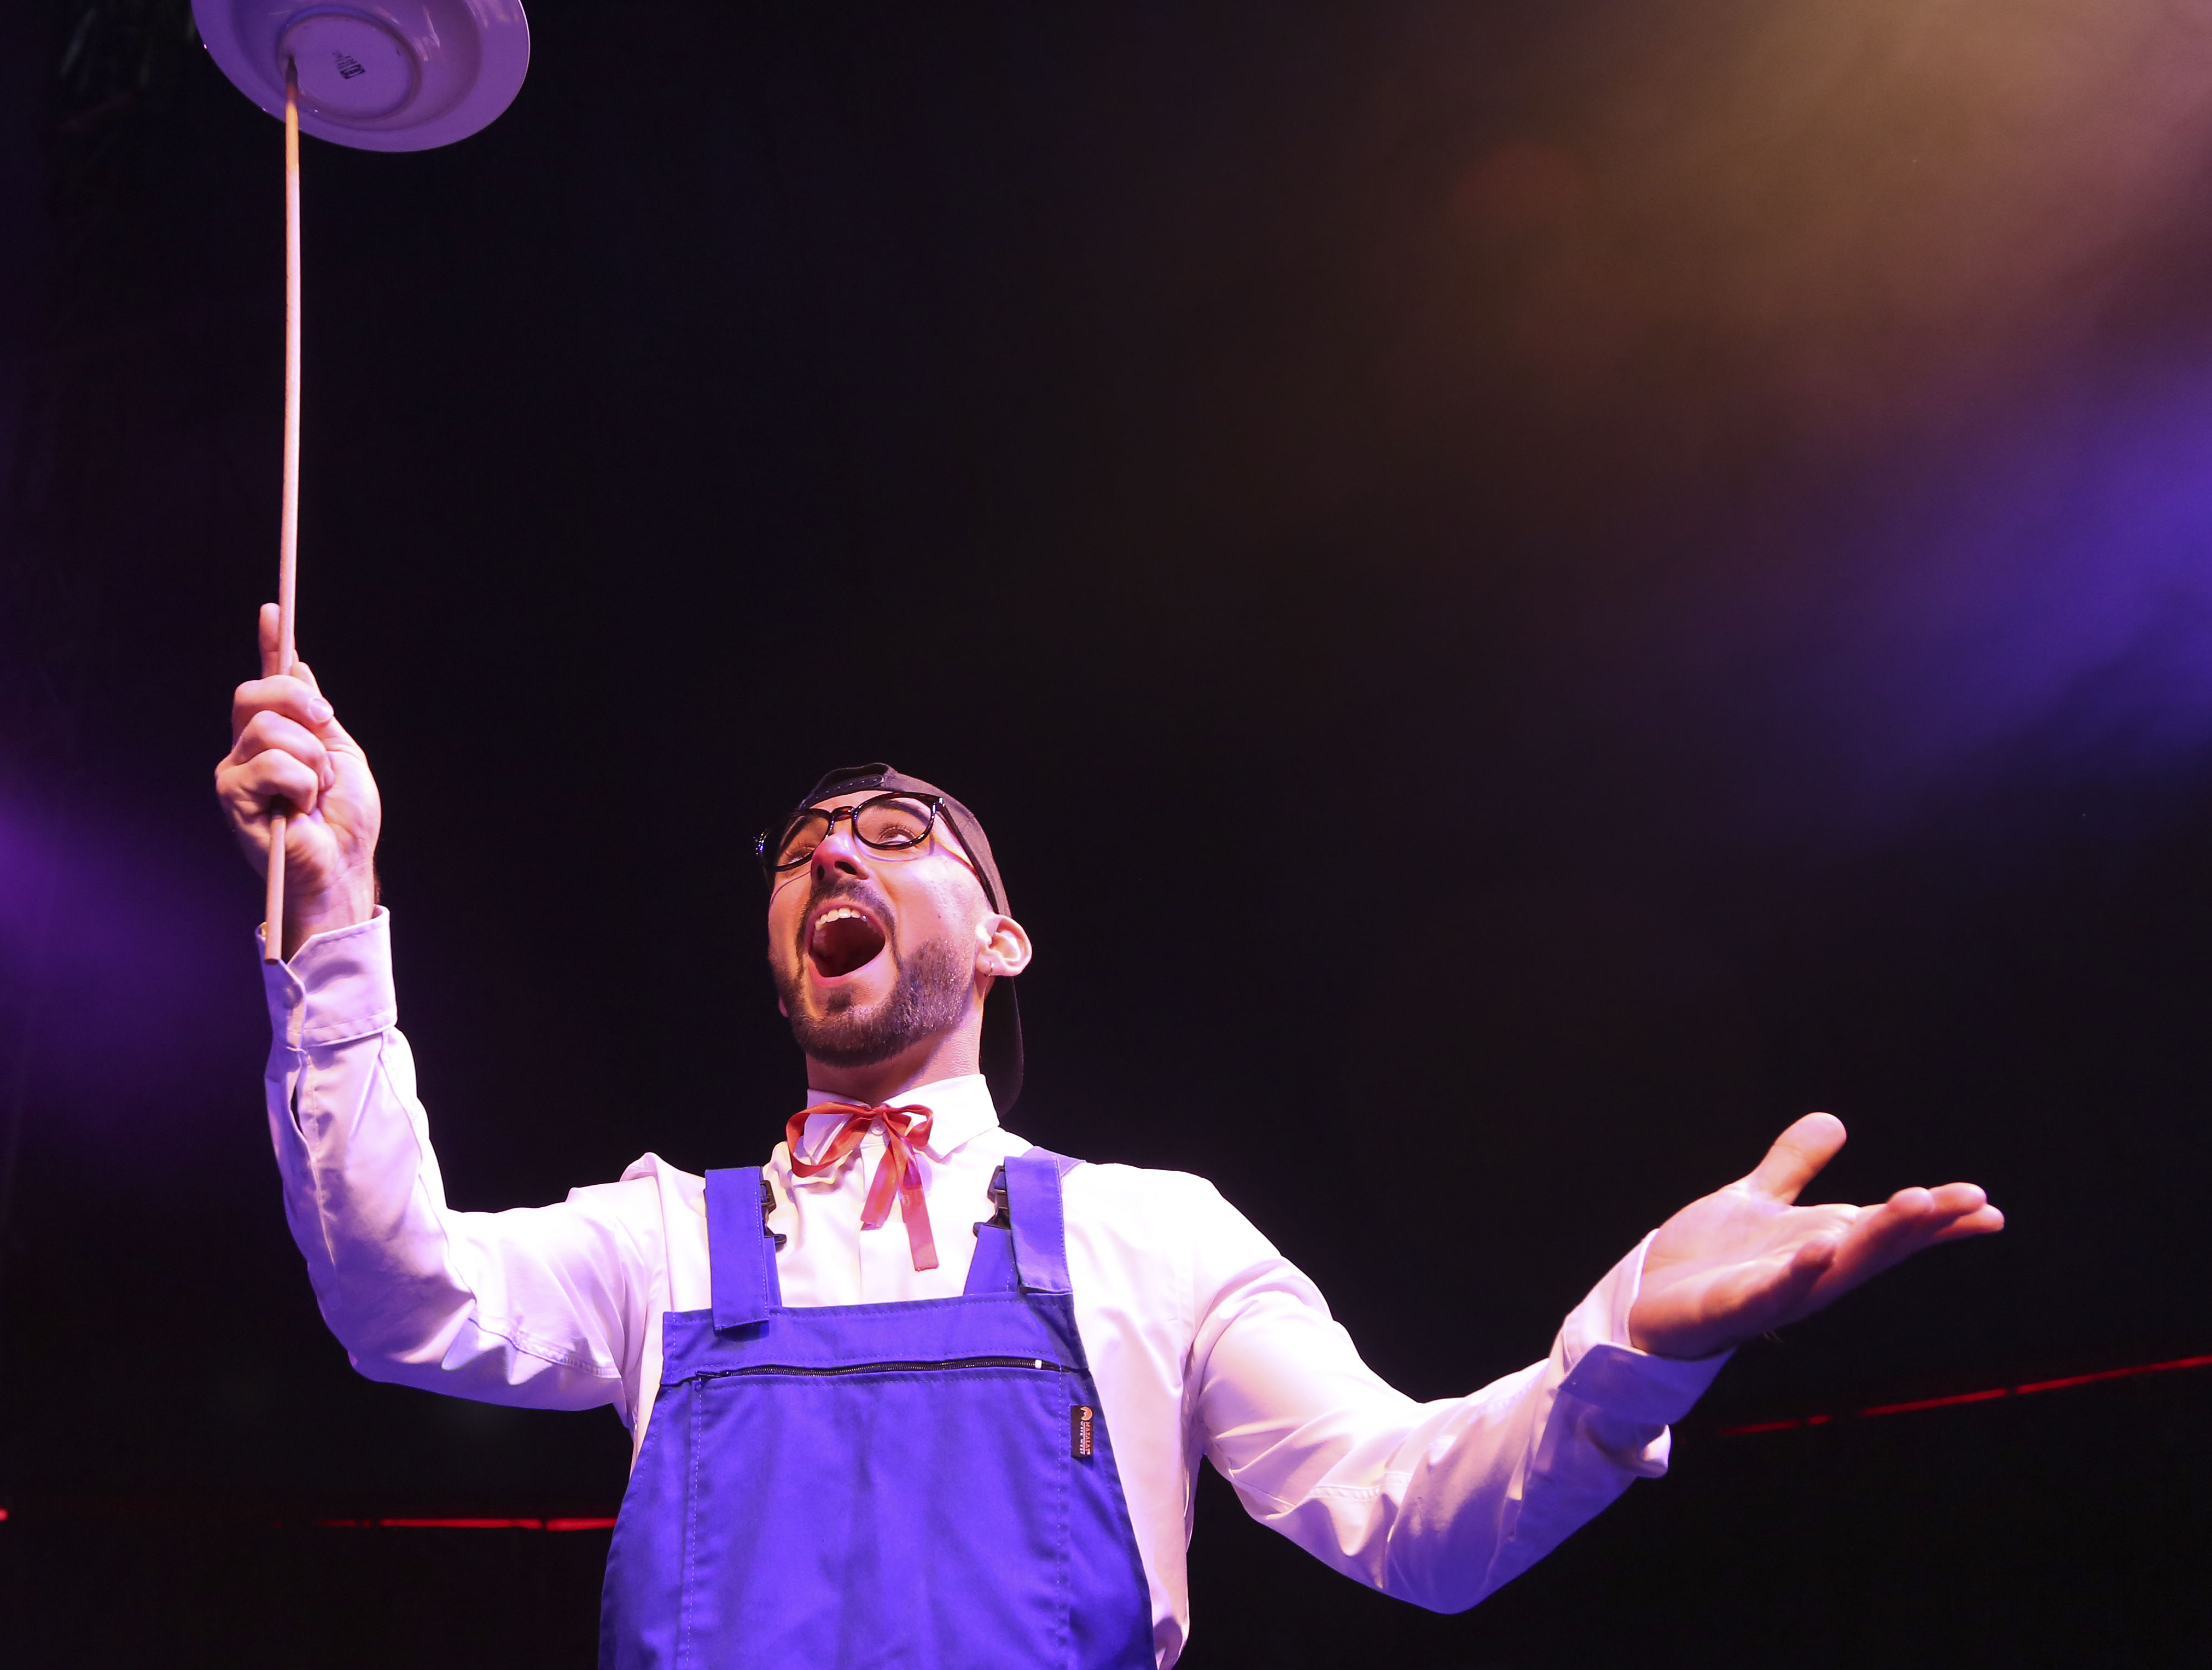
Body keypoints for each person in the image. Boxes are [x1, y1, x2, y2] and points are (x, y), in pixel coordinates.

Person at [213, 606, 2004, 1669]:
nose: (835, 852)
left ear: (1001, 940)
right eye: (802, 845)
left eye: (899, 831)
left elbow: (1416, 1520)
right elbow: (400, 1296)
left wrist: (1628, 1353)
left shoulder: (1155, 1237)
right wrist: (341, 905)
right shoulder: (665, 1243)